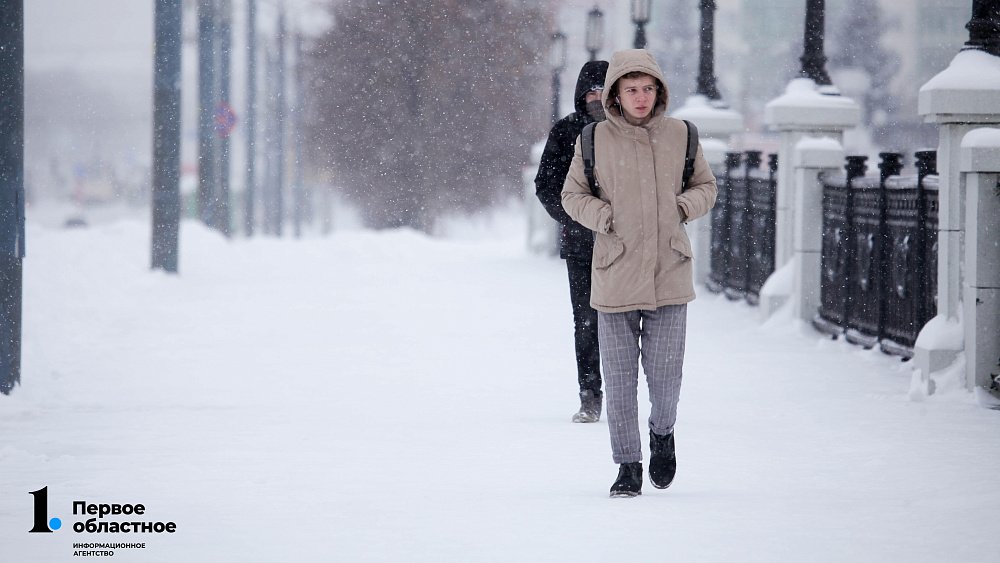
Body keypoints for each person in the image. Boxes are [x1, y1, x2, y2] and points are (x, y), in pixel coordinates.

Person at [561, 49, 717, 498]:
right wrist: (603, 216)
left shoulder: (681, 136)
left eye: (648, 88)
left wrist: (682, 206)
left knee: (666, 376)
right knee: (620, 377)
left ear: (659, 91)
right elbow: (572, 195)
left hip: (669, 270)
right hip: (613, 272)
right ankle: (627, 464)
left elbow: (706, 187)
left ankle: (662, 431)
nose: (641, 97)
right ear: (616, 94)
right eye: (631, 89)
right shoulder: (593, 140)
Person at [534, 60, 609, 424]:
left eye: (602, 90)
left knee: (629, 321)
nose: (596, 98)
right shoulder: (566, 131)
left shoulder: (628, 131)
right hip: (581, 245)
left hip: (628, 245)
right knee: (586, 321)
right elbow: (545, 186)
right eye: (590, 91)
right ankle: (590, 394)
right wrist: (574, 219)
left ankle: (629, 393)